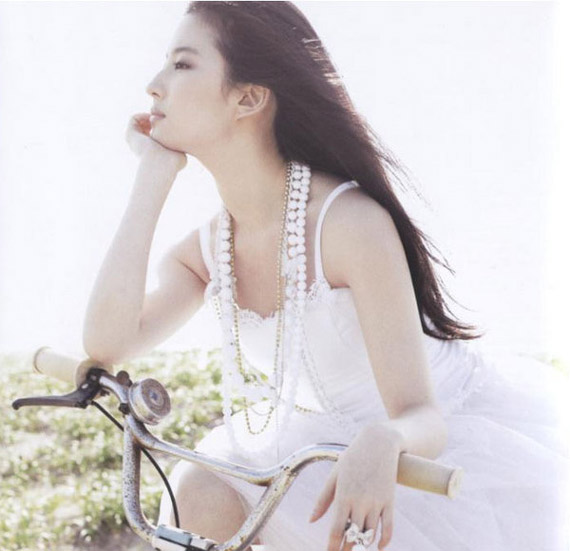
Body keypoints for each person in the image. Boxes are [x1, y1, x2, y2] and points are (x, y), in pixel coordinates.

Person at [82, 2, 569, 550]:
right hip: (322, 446)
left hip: (431, 442)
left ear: (249, 98)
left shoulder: (349, 225)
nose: (154, 85)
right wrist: (154, 173)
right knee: (196, 495)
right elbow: (108, 342)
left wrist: (384, 440)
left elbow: (422, 415)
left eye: (182, 64)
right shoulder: (206, 251)